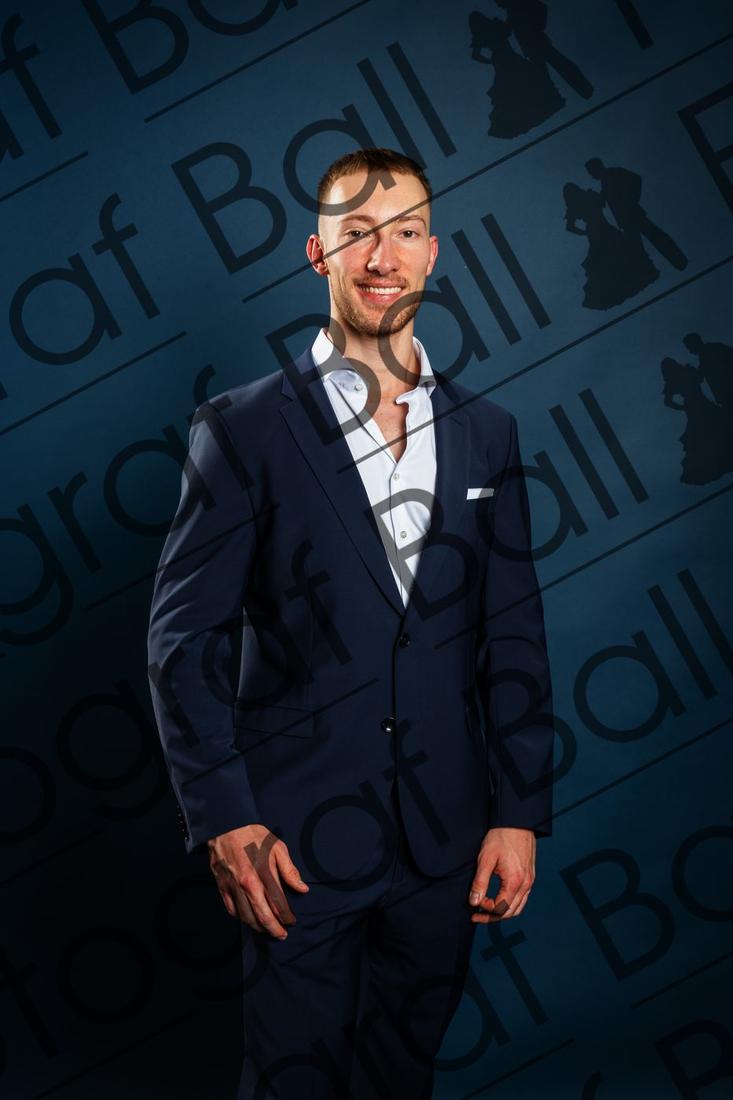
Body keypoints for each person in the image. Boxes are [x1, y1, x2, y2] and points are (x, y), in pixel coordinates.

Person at [147, 147, 555, 1099]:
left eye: (405, 232)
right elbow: (183, 644)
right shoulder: (242, 428)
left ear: (433, 252)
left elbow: (512, 634)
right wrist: (226, 817)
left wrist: (517, 810)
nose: (383, 256)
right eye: (358, 233)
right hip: (292, 843)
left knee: (398, 1078)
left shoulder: (487, 432)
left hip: (444, 841)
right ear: (318, 253)